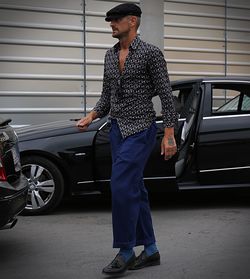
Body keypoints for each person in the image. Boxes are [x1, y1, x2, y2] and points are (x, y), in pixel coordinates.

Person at [76, 3, 178, 276]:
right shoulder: (109, 56)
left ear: (132, 21)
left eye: (116, 20)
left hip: (141, 129)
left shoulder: (150, 54)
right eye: (110, 21)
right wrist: (92, 115)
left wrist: (169, 134)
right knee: (135, 189)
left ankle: (125, 251)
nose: (111, 24)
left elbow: (166, 96)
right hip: (117, 130)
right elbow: (106, 97)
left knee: (121, 186)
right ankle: (152, 248)